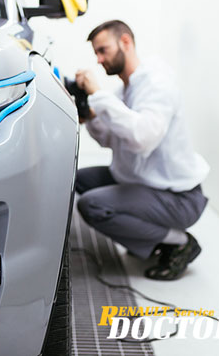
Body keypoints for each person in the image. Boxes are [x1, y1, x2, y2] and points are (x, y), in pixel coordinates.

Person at [75, 20, 209, 280]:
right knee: (78, 180)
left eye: (103, 50)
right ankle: (149, 237)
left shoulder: (157, 84)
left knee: (92, 205)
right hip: (142, 181)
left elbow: (142, 138)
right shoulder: (125, 90)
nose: (99, 60)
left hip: (177, 197)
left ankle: (180, 242)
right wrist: (90, 115)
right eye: (96, 53)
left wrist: (98, 95)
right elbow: (110, 138)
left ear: (125, 42)